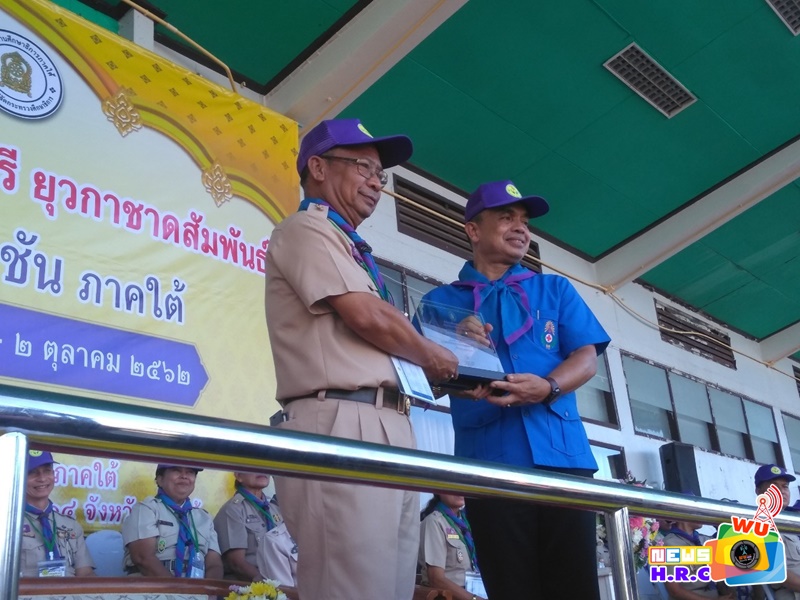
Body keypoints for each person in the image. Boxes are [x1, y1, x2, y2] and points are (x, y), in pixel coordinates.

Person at [264, 117, 458, 599]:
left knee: (390, 587)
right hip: (341, 418)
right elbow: (367, 317)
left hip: (389, 420)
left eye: (380, 174)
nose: (375, 182)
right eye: (363, 167)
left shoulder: (351, 248)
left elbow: (385, 340)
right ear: (318, 168)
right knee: (352, 586)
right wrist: (433, 353)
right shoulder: (306, 228)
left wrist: (455, 367)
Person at [416, 180, 611, 599]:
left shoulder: (554, 289)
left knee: (576, 587)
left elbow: (587, 358)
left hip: (563, 459)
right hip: (489, 461)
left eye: (524, 221)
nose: (521, 227)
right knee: (511, 586)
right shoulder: (440, 303)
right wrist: (456, 355)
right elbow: (423, 378)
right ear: (473, 230)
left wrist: (549, 386)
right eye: (506, 218)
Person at [121, 464, 222, 579]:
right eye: (176, 470)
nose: (184, 476)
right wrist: (176, 588)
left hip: (197, 585)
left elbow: (215, 565)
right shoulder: (146, 509)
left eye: (190, 472)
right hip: (152, 585)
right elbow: (143, 558)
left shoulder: (204, 517)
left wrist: (206, 589)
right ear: (160, 480)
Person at [213, 471, 297, 585]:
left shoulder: (275, 508)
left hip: (286, 581)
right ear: (238, 475)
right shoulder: (233, 510)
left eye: (265, 467)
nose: (261, 470)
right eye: (254, 467)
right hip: (253, 587)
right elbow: (237, 564)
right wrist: (271, 586)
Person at [21, 449, 95, 578]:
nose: (42, 478)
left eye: (47, 471)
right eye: (32, 472)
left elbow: (85, 574)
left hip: (69, 590)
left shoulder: (71, 525)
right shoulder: (7, 525)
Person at [419, 494, 486, 600]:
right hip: (452, 597)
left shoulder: (467, 521)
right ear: (438, 490)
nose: (459, 491)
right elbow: (436, 579)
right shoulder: (434, 522)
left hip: (476, 592)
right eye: (453, 487)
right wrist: (474, 599)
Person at [754, 464, 800, 600]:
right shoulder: (758, 525)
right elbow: (776, 573)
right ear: (759, 491)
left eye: (785, 486)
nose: (781, 491)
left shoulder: (791, 522)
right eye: (774, 486)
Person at [661, 517, 732, 599]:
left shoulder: (704, 540)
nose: (702, 516)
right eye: (698, 513)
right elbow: (674, 590)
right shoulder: (670, 544)